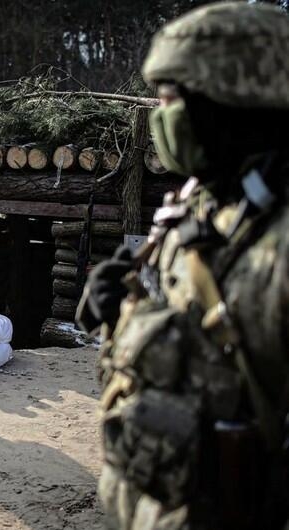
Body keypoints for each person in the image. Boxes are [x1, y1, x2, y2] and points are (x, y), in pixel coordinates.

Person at [76, 3, 289, 529]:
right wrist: (122, 310)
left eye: (173, 99)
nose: (161, 117)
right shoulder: (199, 205)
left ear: (237, 101)